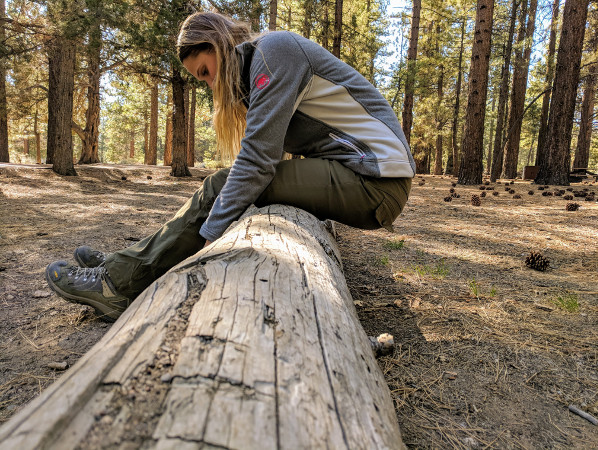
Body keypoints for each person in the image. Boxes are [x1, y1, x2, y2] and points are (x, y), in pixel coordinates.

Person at [45, 11, 416, 322]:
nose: (208, 84)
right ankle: (121, 263)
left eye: (205, 71)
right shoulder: (262, 64)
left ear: (220, 44)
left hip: (376, 180)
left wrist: (213, 231)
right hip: (361, 175)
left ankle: (115, 283)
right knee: (222, 187)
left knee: (220, 186)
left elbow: (258, 160)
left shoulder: (275, 52)